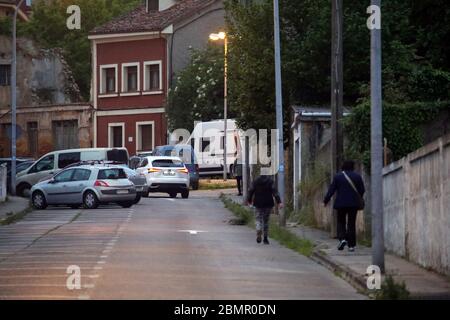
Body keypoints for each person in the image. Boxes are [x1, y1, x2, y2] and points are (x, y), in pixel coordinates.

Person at [324, 160, 365, 252]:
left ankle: (342, 239)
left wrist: (326, 200)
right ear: (352, 166)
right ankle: (351, 245)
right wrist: (357, 197)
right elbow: (362, 190)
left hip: (341, 204)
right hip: (353, 204)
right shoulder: (357, 176)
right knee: (351, 223)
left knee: (341, 222)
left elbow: (331, 190)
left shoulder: (338, 177)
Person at [246, 175, 283, 245]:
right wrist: (279, 202)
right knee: (266, 221)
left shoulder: (256, 181)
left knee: (258, 219)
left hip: (258, 203)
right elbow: (275, 192)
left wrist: (249, 200)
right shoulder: (270, 181)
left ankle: (258, 229)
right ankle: (265, 239)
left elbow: (251, 191)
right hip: (268, 203)